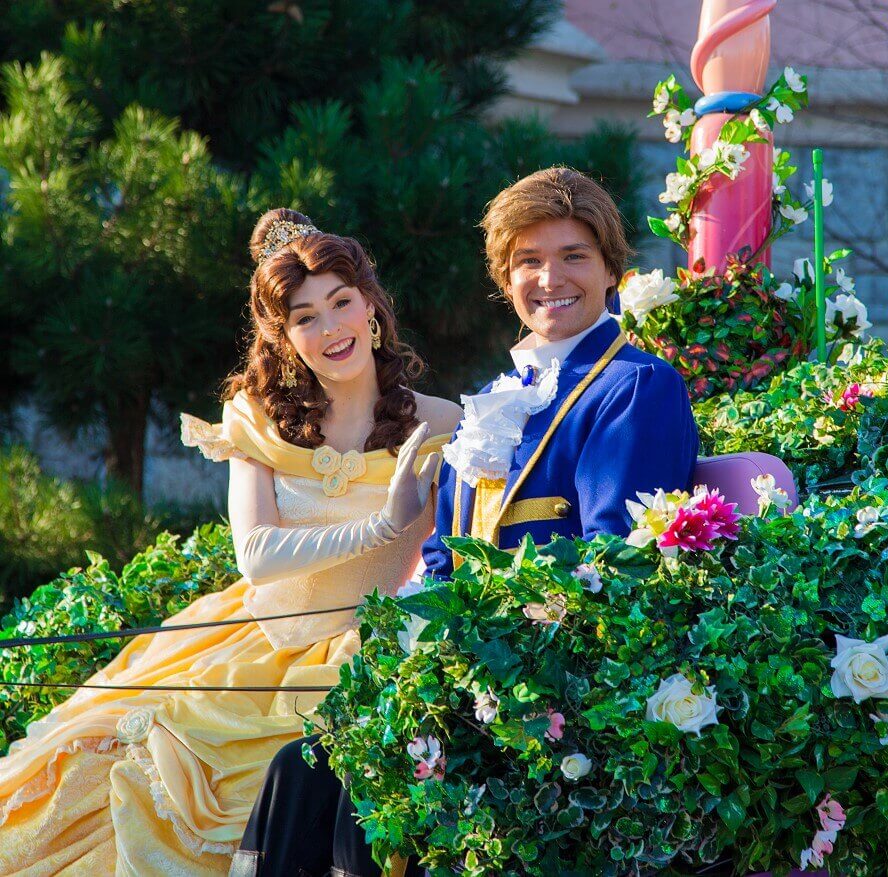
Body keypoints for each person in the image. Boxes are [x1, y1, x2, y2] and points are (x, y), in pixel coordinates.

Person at [233, 167, 700, 877]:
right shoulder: (495, 399)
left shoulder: (634, 387)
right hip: (470, 674)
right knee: (300, 768)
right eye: (528, 261)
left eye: (574, 255)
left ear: (612, 269)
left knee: (358, 772)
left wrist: (472, 651)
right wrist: (403, 647)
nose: (550, 278)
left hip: (555, 687)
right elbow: (445, 562)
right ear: (505, 280)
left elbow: (614, 565)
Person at [0, 209, 462, 876]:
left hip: (368, 654)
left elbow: (456, 559)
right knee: (112, 766)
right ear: (284, 336)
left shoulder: (444, 424)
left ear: (371, 306)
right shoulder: (257, 418)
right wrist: (384, 526)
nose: (331, 329)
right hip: (256, 645)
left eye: (341, 302)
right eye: (305, 317)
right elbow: (258, 555)